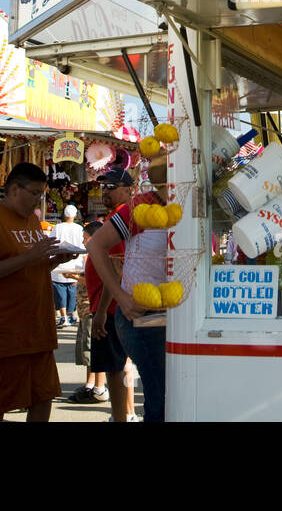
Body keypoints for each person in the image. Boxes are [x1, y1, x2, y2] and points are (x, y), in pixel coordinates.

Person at [0, 163, 63, 422]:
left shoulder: (31, 220)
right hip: (5, 333)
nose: (39, 200)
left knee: (43, 396)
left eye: (42, 194)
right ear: (15, 189)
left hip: (37, 330)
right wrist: (29, 257)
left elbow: (28, 267)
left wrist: (54, 261)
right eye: (35, 193)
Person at [87, 168, 167, 423]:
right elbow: (97, 246)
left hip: (172, 313)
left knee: (170, 394)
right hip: (141, 317)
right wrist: (120, 297)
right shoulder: (139, 207)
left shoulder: (189, 207)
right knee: (159, 396)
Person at [85, 170, 139, 421]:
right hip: (112, 304)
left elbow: (116, 269)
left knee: (114, 368)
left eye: (111, 186)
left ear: (128, 189)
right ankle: (125, 414)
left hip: (112, 307)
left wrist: (101, 311)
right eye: (103, 187)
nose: (105, 191)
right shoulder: (116, 216)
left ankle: (121, 416)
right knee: (118, 366)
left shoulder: (121, 217)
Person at [67, 220, 106, 403]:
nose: (83, 242)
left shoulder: (99, 255)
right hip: (87, 309)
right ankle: (91, 385)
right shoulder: (92, 255)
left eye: (85, 238)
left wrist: (74, 276)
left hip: (93, 308)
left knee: (92, 349)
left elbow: (98, 282)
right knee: (87, 350)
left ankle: (97, 387)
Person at [52, 205, 84, 327]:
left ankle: (63, 316)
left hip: (59, 262)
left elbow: (52, 242)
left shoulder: (58, 227)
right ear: (75, 215)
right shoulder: (79, 228)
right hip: (75, 263)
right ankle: (71, 315)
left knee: (59, 289)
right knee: (72, 289)